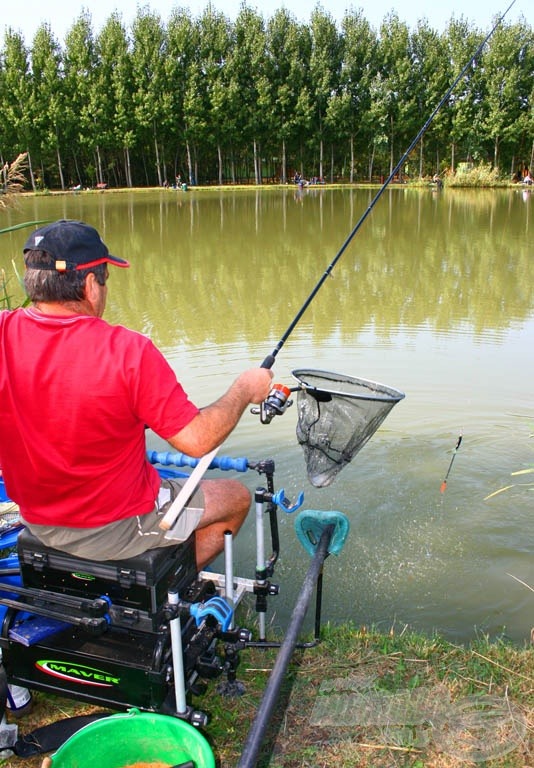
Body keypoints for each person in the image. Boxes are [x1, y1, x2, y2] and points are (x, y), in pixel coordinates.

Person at [0, 219, 273, 570]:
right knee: (234, 498)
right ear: (89, 285)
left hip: (36, 518)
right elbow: (198, 440)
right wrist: (245, 388)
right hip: (113, 527)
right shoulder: (127, 351)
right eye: (104, 279)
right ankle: (175, 592)